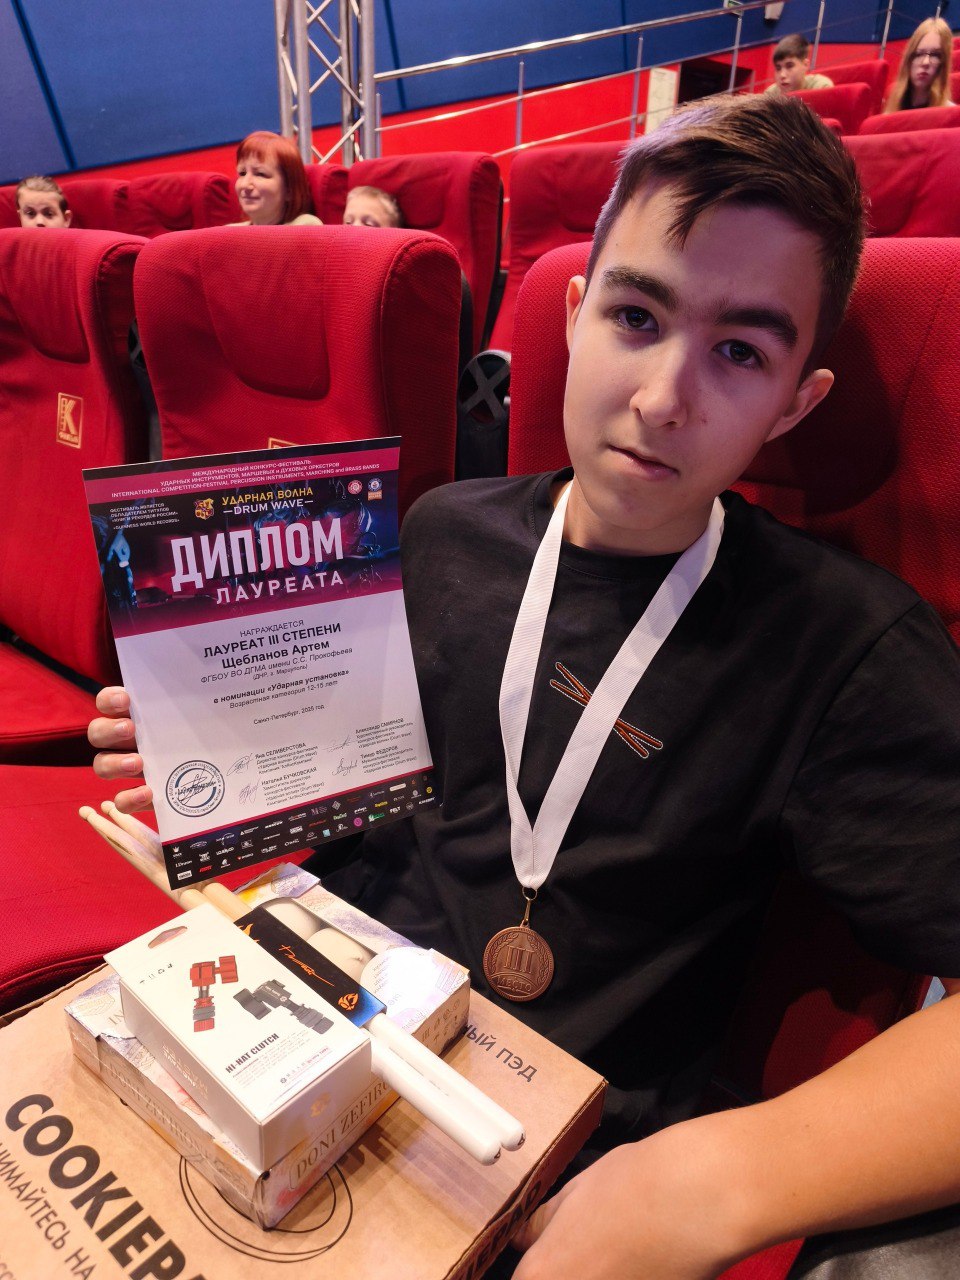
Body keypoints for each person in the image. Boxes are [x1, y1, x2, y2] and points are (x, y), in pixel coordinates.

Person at [89, 93, 960, 1279]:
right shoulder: (443, 531)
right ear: (574, 313)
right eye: (637, 316)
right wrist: (227, 749)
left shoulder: (840, 643)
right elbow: (383, 799)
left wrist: (715, 1179)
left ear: (795, 402)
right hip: (308, 1040)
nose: (664, 396)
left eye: (741, 352)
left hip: (535, 1164)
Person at [232, 130, 322, 226]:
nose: (245, 185)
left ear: (289, 190)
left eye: (260, 174)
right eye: (242, 173)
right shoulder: (229, 231)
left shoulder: (305, 226)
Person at [884, 17, 954, 113]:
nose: (925, 62)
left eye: (935, 55)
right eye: (919, 54)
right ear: (909, 59)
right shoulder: (892, 107)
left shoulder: (951, 113)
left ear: (943, 64)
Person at [764, 33, 834, 94]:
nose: (782, 75)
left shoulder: (821, 87)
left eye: (789, 66)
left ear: (805, 65)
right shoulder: (770, 94)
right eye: (778, 68)